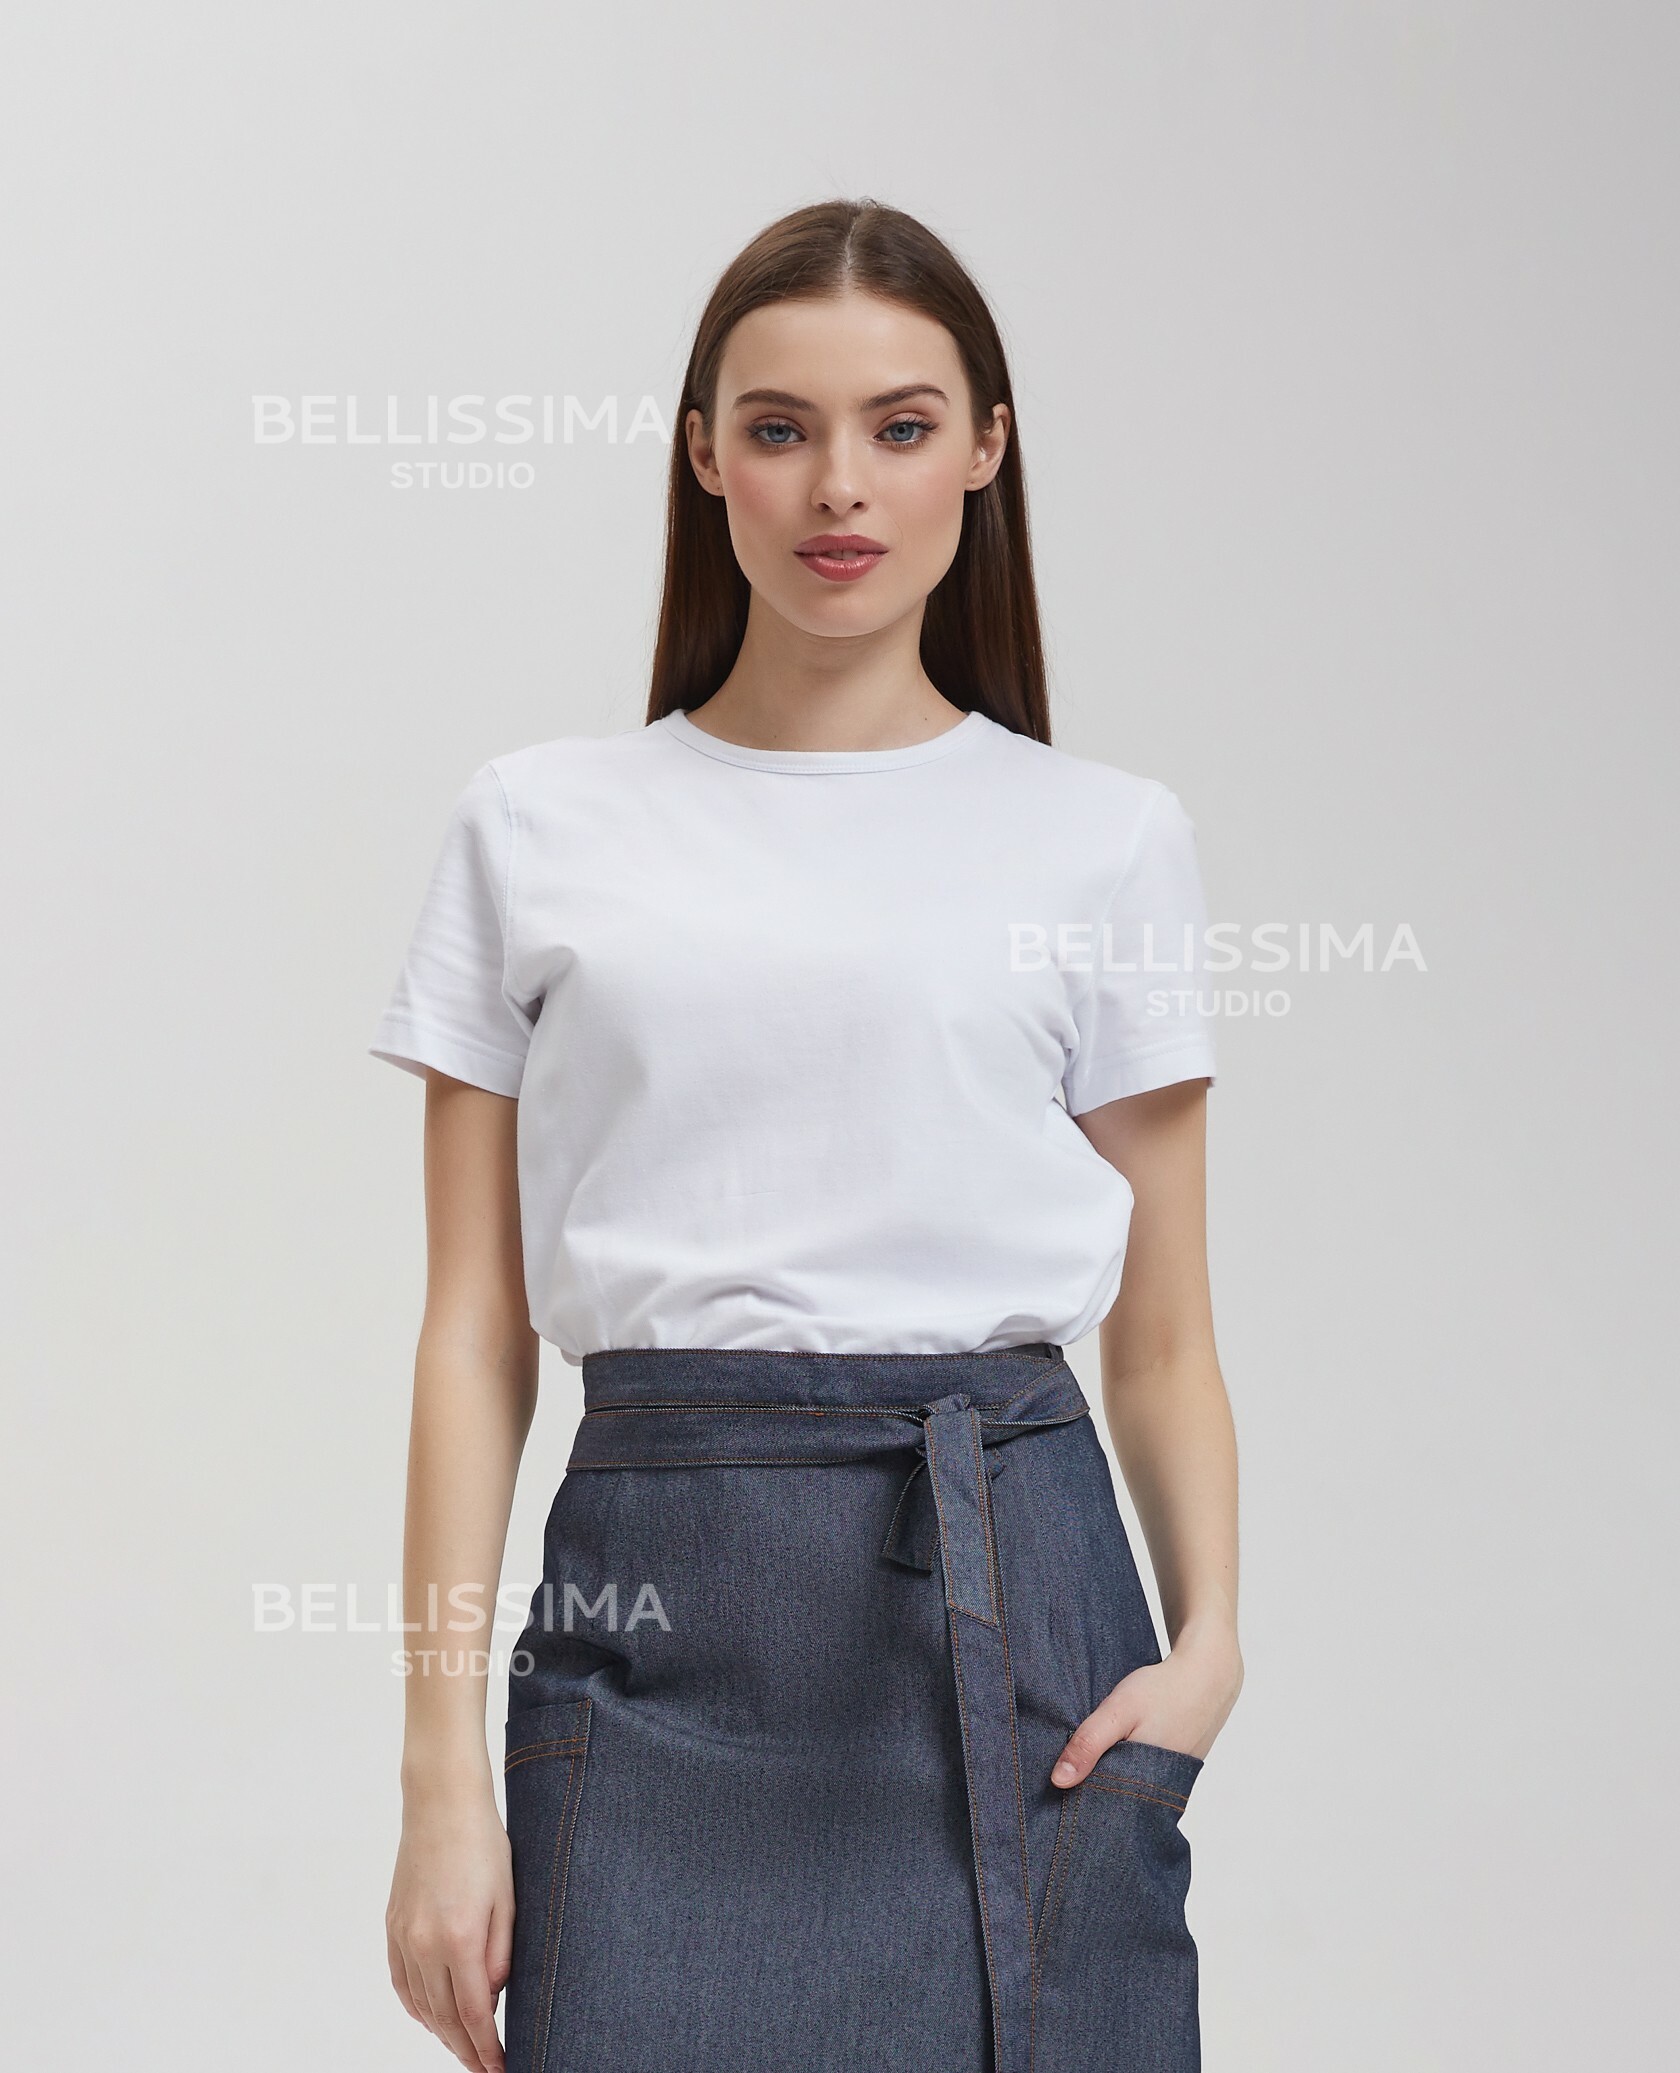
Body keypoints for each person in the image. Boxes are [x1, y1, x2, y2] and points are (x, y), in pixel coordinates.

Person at [369, 197, 1243, 2073]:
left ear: (985, 449)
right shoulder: (535, 825)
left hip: (1015, 1608)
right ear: (704, 456)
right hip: (657, 1605)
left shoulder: (1105, 838)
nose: (839, 485)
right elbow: (471, 1332)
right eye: (779, 427)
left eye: (900, 426)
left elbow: (1165, 1334)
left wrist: (1213, 1642)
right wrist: (441, 1779)